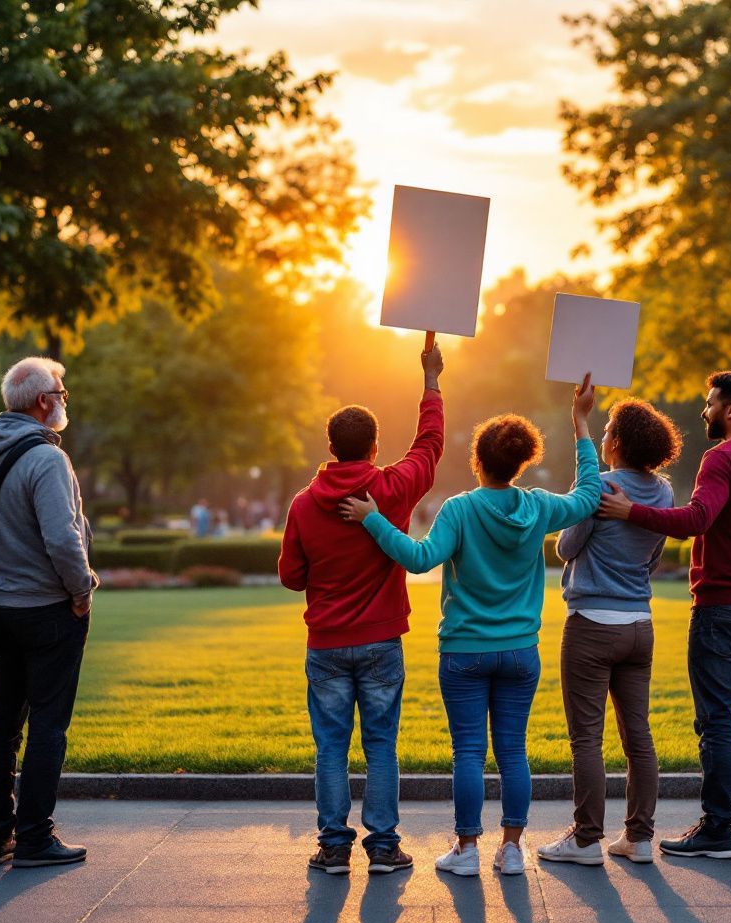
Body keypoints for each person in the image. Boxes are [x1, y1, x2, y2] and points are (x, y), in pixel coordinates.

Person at [341, 374, 600, 878]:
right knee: (512, 750)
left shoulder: (460, 509)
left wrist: (374, 520)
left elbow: (418, 560)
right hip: (521, 651)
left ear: (477, 459)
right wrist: (582, 424)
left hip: (463, 652)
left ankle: (465, 850)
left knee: (468, 752)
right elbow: (589, 495)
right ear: (522, 461)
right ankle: (511, 849)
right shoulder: (539, 506)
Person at [600, 370, 731, 860]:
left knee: (715, 722)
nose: (705, 411)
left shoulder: (722, 457)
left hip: (723, 609)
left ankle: (716, 828)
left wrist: (632, 513)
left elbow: (695, 520)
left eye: (710, 403)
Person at [278, 344, 445, 876]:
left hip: (326, 643)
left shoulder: (304, 504)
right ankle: (383, 846)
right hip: (380, 642)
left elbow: (290, 576)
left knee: (330, 748)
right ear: (374, 447)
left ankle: (332, 847)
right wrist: (431, 378)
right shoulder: (391, 487)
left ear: (331, 446)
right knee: (381, 745)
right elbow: (431, 444)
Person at [0, 357, 98, 869]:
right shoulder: (47, 460)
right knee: (49, 726)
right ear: (43, 401)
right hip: (49, 610)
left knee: (3, 722)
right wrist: (81, 590)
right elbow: (62, 538)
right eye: (62, 392)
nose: (63, 399)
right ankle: (35, 837)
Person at [538, 399, 683, 867]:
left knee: (586, 738)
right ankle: (639, 838)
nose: (600, 439)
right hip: (639, 624)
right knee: (637, 735)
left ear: (617, 444)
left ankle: (585, 840)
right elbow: (654, 551)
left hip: (592, 626)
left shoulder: (599, 487)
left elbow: (567, 546)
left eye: (605, 434)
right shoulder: (663, 492)